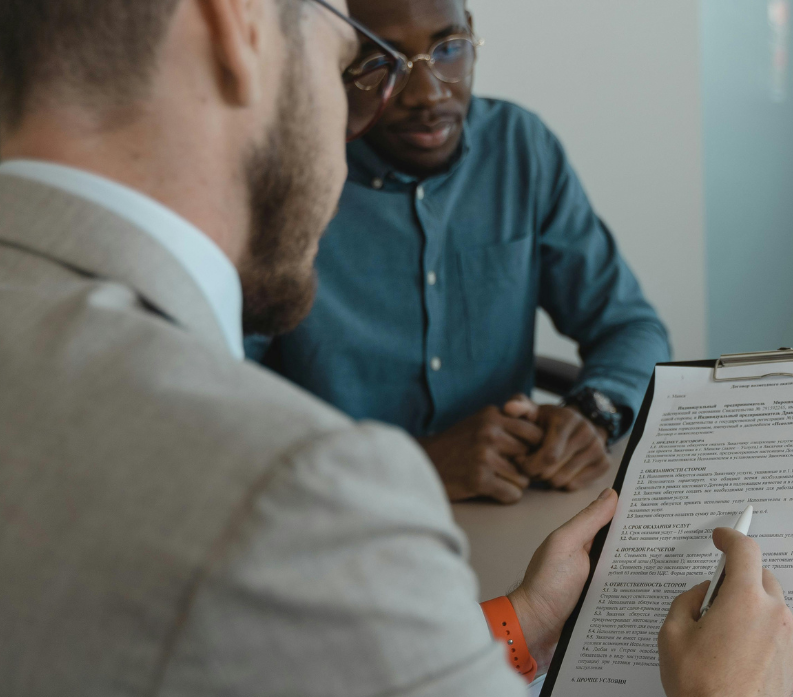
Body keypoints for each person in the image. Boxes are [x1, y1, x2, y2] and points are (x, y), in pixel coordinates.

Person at [0, 0, 793, 697]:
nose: (371, 106)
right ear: (238, 28)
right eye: (355, 55)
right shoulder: (280, 499)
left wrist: (520, 624)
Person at [246, 0, 672, 504]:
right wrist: (415, 464)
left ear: (472, 34)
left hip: (512, 505)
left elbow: (631, 327)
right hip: (341, 513)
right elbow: (216, 401)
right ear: (333, 59)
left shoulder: (520, 148)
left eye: (448, 49)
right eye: (382, 60)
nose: (428, 94)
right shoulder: (281, 180)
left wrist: (593, 412)